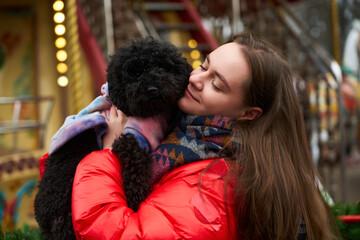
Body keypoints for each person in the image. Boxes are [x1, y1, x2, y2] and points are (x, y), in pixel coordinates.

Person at [71, 32, 338, 240]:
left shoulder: (217, 182)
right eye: (203, 65)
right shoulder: (177, 130)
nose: (197, 79)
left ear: (248, 114)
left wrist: (108, 157)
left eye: (217, 84)